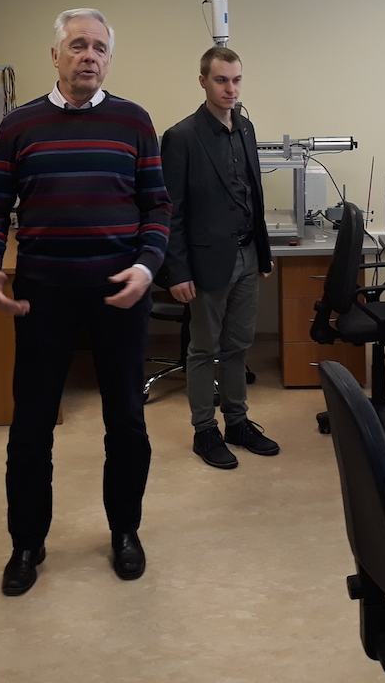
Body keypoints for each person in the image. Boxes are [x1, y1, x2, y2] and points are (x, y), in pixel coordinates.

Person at [0, 8, 170, 594]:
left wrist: (146, 265)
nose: (89, 56)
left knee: (126, 422)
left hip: (119, 293)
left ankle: (125, 531)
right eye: (78, 45)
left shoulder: (134, 121)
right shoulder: (19, 125)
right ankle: (26, 542)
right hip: (44, 295)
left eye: (100, 48)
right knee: (31, 425)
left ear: (109, 59)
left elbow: (158, 206)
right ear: (55, 55)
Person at [160, 47, 278, 469]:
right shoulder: (182, 137)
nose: (231, 88)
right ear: (203, 82)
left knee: (238, 346)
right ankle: (204, 430)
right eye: (221, 80)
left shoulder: (244, 127)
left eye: (236, 80)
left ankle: (237, 422)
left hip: (247, 252)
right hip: (206, 261)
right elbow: (170, 212)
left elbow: (253, 194)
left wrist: (263, 252)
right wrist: (177, 271)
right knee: (203, 349)